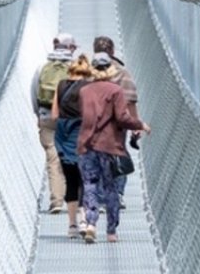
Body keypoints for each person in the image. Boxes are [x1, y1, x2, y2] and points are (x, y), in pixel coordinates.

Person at [77, 52, 150, 244]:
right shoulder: (116, 91)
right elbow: (123, 118)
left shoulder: (84, 91)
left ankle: (91, 223)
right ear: (110, 69)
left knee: (90, 184)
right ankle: (111, 231)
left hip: (87, 144)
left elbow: (82, 116)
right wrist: (140, 125)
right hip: (109, 145)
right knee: (110, 187)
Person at [32, 34, 76, 214]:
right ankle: (78, 202)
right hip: (69, 119)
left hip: (46, 116)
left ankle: (56, 201)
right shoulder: (75, 67)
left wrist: (39, 114)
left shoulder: (42, 67)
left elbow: (34, 92)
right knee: (74, 156)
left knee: (52, 156)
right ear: (71, 48)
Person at [52, 56, 94, 239]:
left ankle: (72, 225)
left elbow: (54, 114)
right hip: (81, 136)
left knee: (71, 181)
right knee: (86, 179)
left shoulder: (61, 85)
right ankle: (85, 220)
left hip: (62, 136)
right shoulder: (88, 87)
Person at [95, 36, 138, 204]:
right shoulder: (122, 72)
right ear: (112, 51)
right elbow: (131, 100)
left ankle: (100, 196)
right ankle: (117, 194)